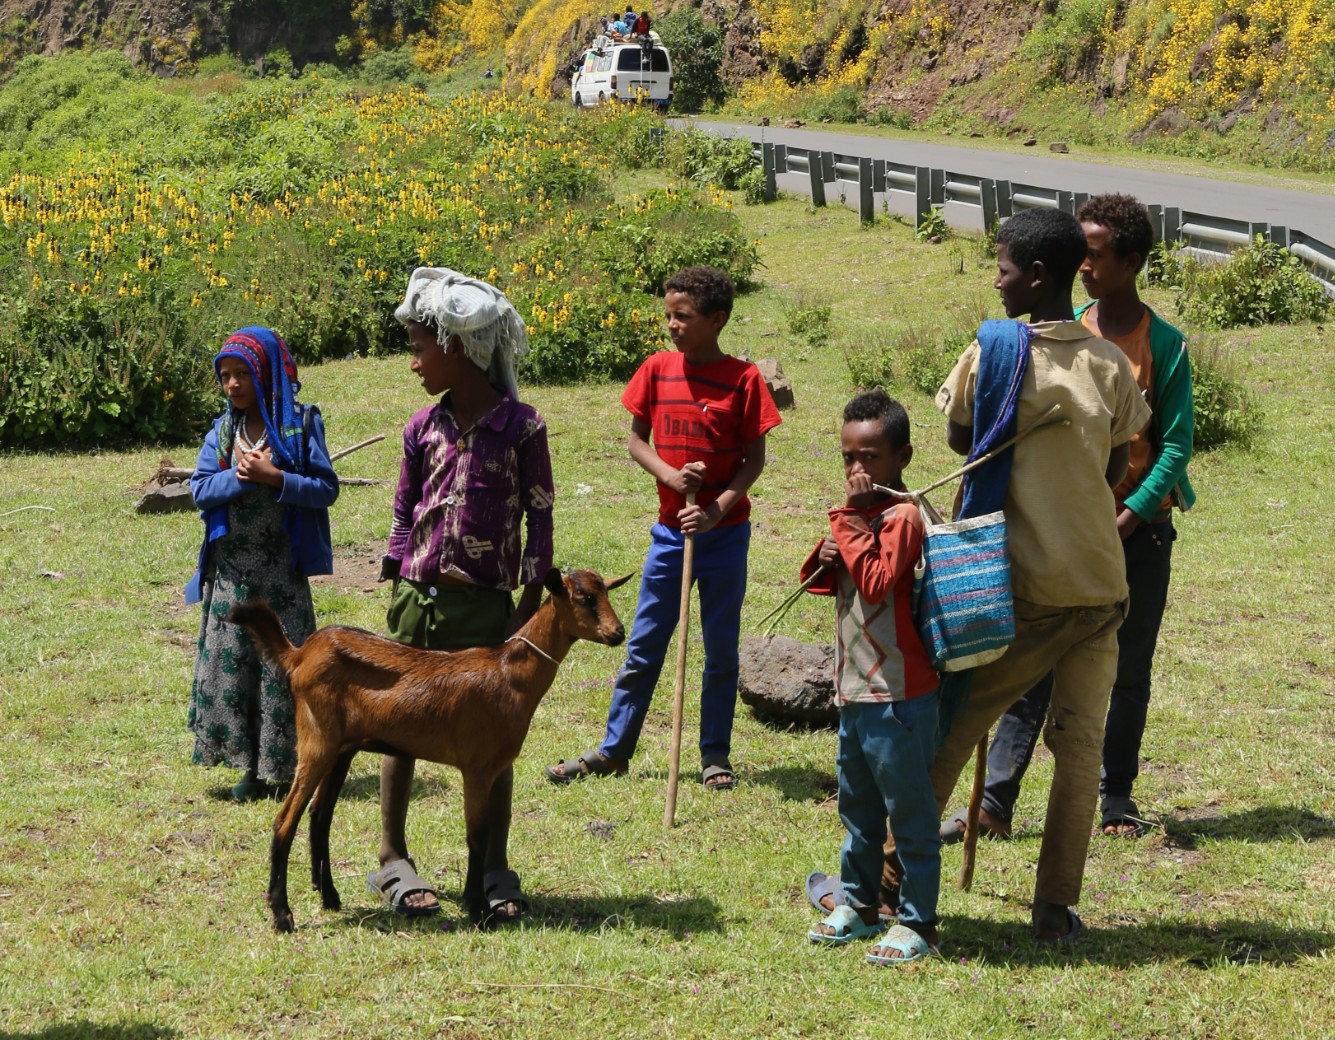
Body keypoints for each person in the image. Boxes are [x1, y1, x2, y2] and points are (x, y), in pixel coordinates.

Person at [809, 207, 1149, 946]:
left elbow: (960, 439)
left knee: (948, 733)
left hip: (1020, 591)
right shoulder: (1109, 363)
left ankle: (887, 891)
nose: (994, 281)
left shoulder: (991, 352)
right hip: (1101, 584)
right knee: (1079, 752)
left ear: (1035, 276)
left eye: (1000, 269)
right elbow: (1117, 465)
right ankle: (1054, 909)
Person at [950, 194, 1195, 844]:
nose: (1084, 266)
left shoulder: (1159, 346)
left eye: (1096, 254)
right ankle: (995, 800)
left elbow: (1171, 444)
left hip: (1130, 535)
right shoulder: (1067, 330)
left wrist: (1128, 515)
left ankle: (1116, 796)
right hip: (1063, 537)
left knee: (1124, 674)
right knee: (1029, 676)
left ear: (1131, 262)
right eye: (1078, 255)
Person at [547, 264, 781, 792]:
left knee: (720, 650)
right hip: (671, 537)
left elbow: (754, 460)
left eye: (685, 317)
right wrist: (673, 477)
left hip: (724, 537)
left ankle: (714, 756)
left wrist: (717, 507)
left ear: (717, 319)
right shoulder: (656, 370)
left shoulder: (744, 380)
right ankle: (615, 749)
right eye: (669, 316)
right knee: (646, 644)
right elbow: (635, 441)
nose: (673, 326)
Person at [369, 267, 554, 924]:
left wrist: (529, 601)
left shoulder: (522, 430)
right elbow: (402, 509)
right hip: (418, 602)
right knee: (397, 729)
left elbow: (540, 516)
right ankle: (392, 855)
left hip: (485, 610)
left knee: (492, 740)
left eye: (419, 347)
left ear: (456, 349)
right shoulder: (422, 428)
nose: (413, 361)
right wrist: (395, 573)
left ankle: (492, 866)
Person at [802, 389, 942, 967]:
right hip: (854, 691)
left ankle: (918, 922)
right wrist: (826, 553)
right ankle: (859, 906)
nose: (857, 469)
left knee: (909, 815)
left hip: (899, 696)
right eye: (848, 459)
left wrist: (851, 522)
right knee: (857, 810)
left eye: (871, 458)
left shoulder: (904, 516)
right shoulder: (860, 518)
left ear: (902, 457)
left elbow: (881, 580)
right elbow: (819, 577)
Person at [187, 328, 338, 802]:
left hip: (280, 575)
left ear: (265, 373)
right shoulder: (222, 432)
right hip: (232, 576)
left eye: (242, 374)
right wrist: (237, 477)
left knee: (283, 671)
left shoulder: (301, 426)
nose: (232, 384)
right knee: (237, 670)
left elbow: (325, 488)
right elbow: (198, 489)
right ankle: (246, 768)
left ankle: (288, 766)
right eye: (225, 376)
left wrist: (277, 478)